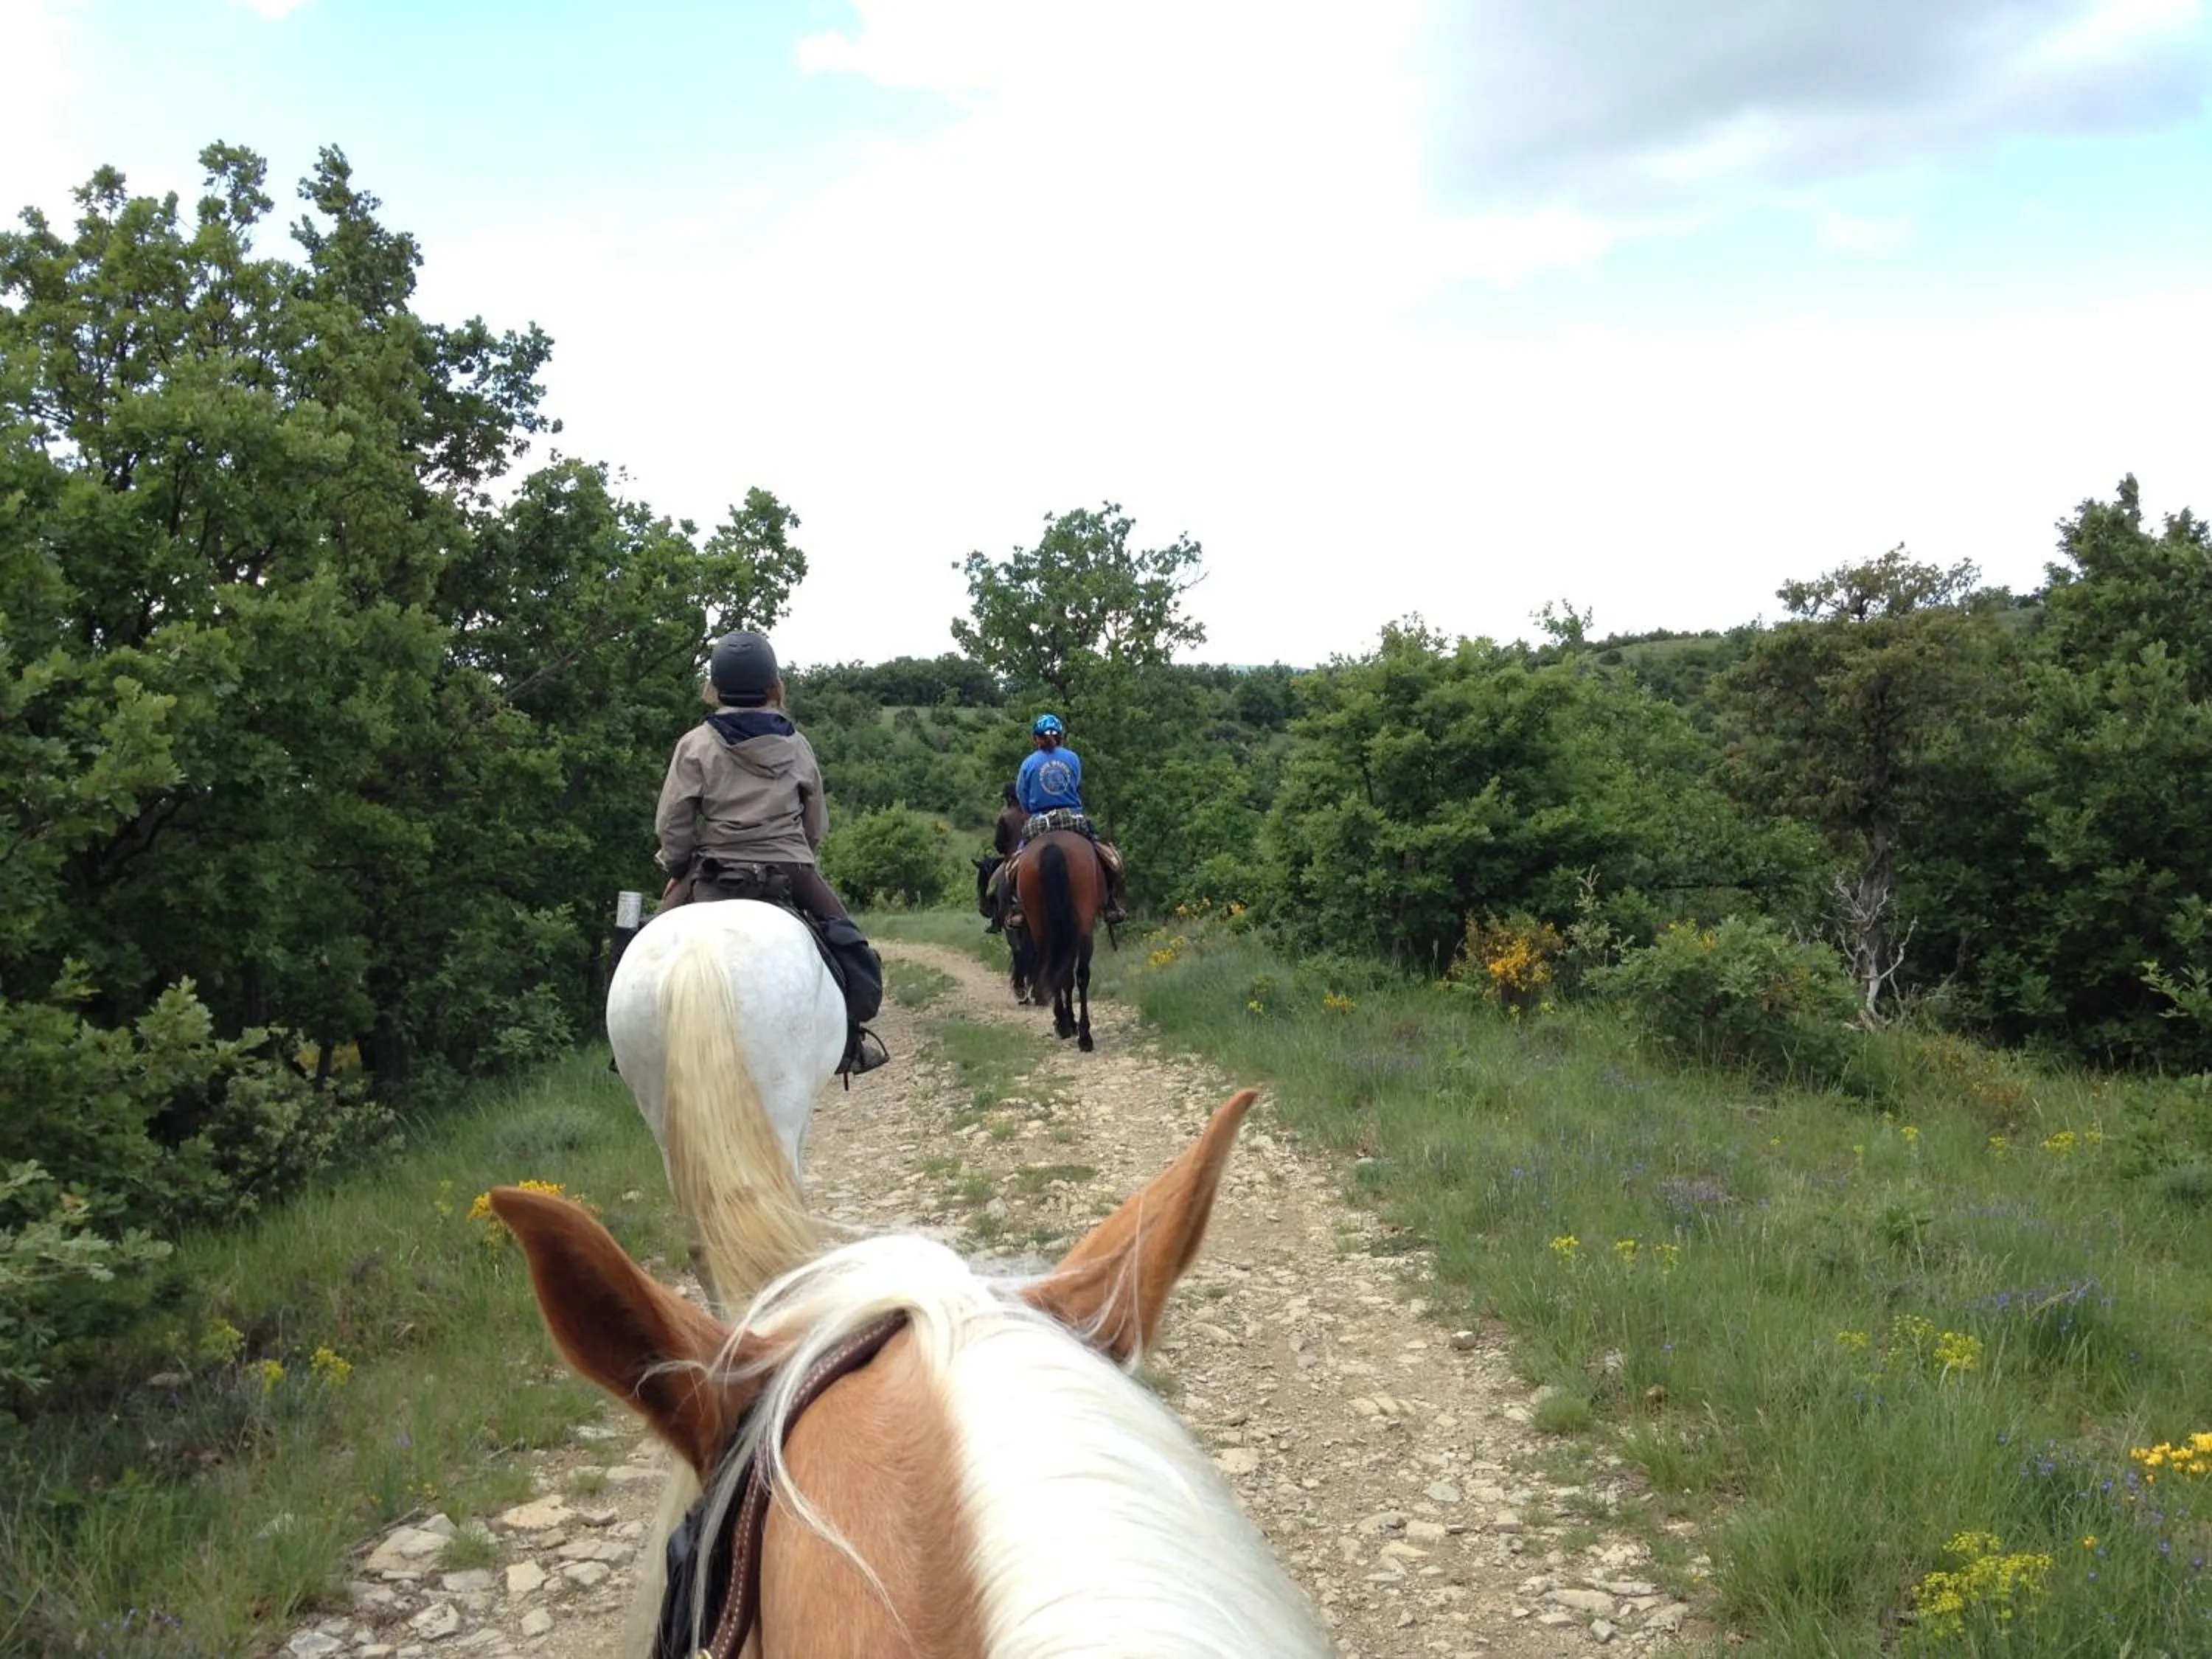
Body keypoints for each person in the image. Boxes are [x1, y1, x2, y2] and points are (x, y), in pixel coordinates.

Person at [653, 628, 886, 1075]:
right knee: (849, 944)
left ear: (716, 687)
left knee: (639, 948)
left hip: (713, 868)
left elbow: (674, 822)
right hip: (790, 866)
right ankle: (851, 1039)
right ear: (771, 686)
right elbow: (816, 822)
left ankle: (630, 1050)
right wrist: (802, 854)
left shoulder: (695, 744)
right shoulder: (797, 745)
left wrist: (678, 866)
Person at [1009, 712, 1128, 924]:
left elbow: (1023, 796)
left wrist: (1032, 811)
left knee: (1016, 862)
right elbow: (1077, 785)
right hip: (1072, 817)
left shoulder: (1028, 763)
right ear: (1061, 737)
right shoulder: (1072, 758)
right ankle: (1110, 902)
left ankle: (1018, 906)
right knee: (1108, 856)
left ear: (1035, 738)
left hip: (1039, 821)